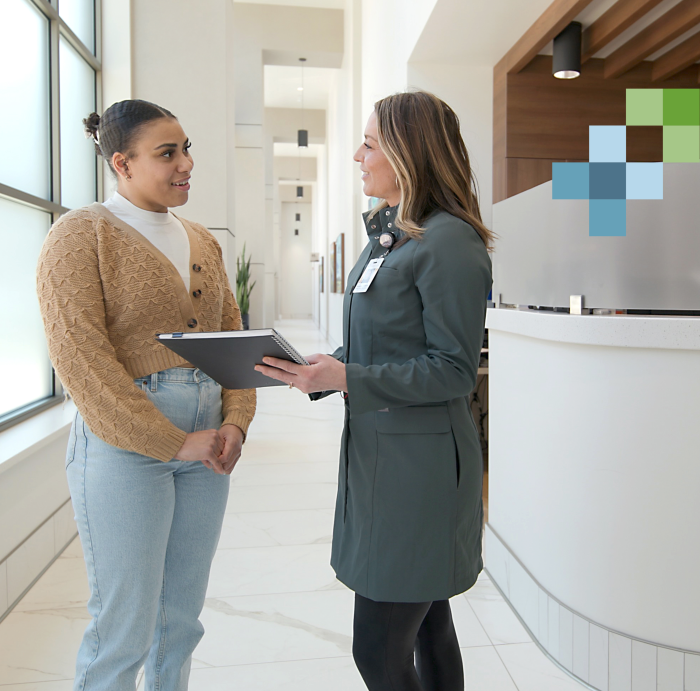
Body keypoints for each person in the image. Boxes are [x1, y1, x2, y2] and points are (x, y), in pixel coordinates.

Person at [255, 90, 493, 691]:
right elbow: (387, 341)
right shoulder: (391, 237)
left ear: (410, 153)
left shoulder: (448, 242)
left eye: (370, 143)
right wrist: (326, 365)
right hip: (382, 456)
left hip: (421, 467)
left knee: (379, 649)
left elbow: (454, 369)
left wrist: (348, 377)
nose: (358, 156)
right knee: (430, 623)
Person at [36, 99, 256, 691]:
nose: (186, 163)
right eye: (167, 153)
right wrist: (170, 441)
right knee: (123, 631)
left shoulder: (201, 239)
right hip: (125, 447)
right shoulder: (79, 236)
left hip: (208, 445)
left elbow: (232, 337)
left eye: (187, 149)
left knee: (180, 622)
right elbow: (81, 361)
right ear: (122, 164)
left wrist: (235, 422)